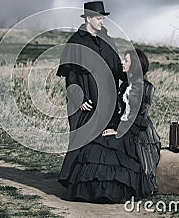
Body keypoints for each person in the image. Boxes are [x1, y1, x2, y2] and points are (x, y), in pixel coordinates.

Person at [59, 46, 161, 203]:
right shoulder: (125, 85)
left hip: (134, 133)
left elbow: (137, 116)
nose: (122, 63)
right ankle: (92, 191)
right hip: (120, 127)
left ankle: (113, 191)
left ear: (135, 64)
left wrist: (118, 131)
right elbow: (119, 112)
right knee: (95, 144)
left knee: (111, 148)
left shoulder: (144, 87)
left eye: (126, 60)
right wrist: (111, 127)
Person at [56, 1, 127, 195]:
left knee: (105, 142)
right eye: (98, 17)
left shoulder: (107, 40)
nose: (102, 21)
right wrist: (79, 98)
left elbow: (117, 68)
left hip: (107, 98)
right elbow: (70, 75)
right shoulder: (76, 41)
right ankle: (78, 188)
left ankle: (101, 187)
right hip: (86, 100)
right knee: (84, 140)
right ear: (88, 18)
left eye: (103, 17)